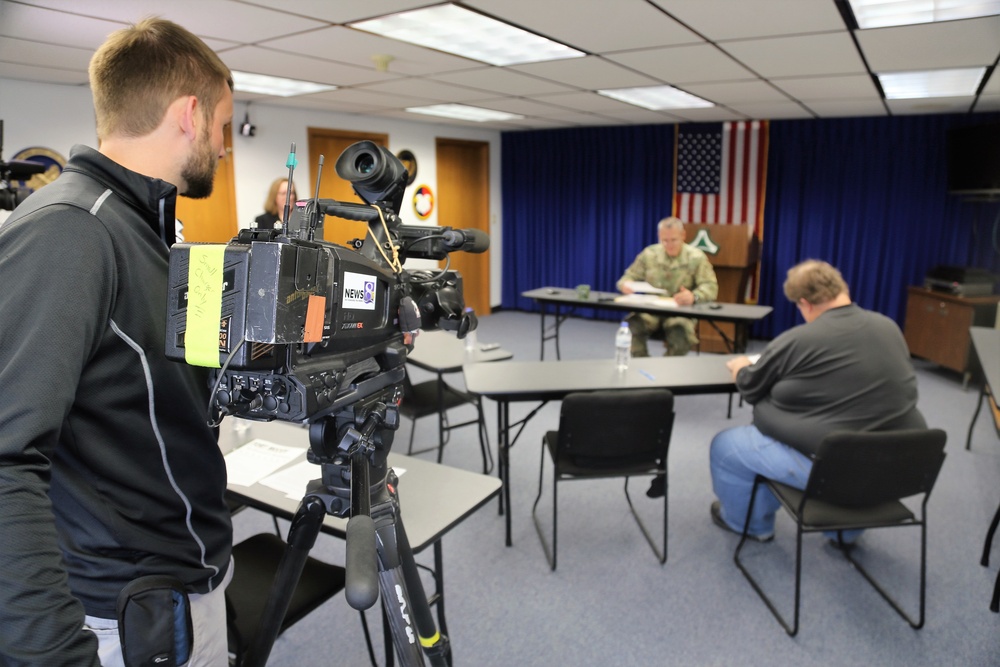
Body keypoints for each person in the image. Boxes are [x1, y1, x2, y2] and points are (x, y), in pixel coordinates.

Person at [0, 18, 234, 666]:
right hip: (131, 608)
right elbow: (6, 455)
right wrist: (50, 650)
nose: (225, 146)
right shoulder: (70, 230)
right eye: (222, 127)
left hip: (184, 574)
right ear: (189, 113)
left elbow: (179, 379)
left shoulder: (153, 226)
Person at [708, 260, 927, 543]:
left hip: (834, 470)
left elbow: (751, 387)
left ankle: (751, 526)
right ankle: (845, 532)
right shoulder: (889, 327)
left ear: (804, 304)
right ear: (842, 289)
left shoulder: (798, 339)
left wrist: (739, 367)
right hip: (898, 465)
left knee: (726, 446)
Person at [616, 216, 718, 357]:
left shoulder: (696, 257)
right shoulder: (649, 254)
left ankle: (667, 371)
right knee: (632, 325)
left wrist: (693, 296)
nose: (669, 245)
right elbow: (628, 277)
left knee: (680, 332)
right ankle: (642, 366)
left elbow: (710, 286)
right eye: (664, 240)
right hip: (651, 310)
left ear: (683, 236)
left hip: (681, 312)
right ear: (659, 237)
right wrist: (626, 285)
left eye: (674, 240)